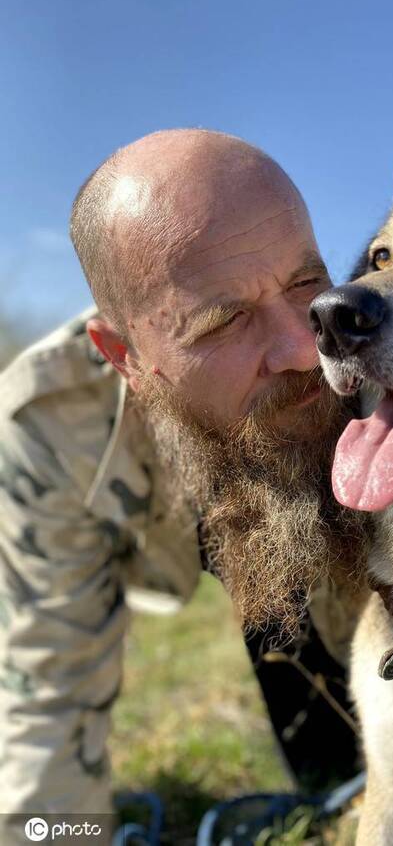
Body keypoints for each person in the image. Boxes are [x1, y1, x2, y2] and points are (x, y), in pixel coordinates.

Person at [0, 129, 368, 843]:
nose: (303, 348)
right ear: (124, 356)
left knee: (346, 766)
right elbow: (45, 704)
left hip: (320, 530)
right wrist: (54, 833)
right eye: (225, 319)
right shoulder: (47, 430)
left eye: (304, 281)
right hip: (183, 507)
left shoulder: (373, 331)